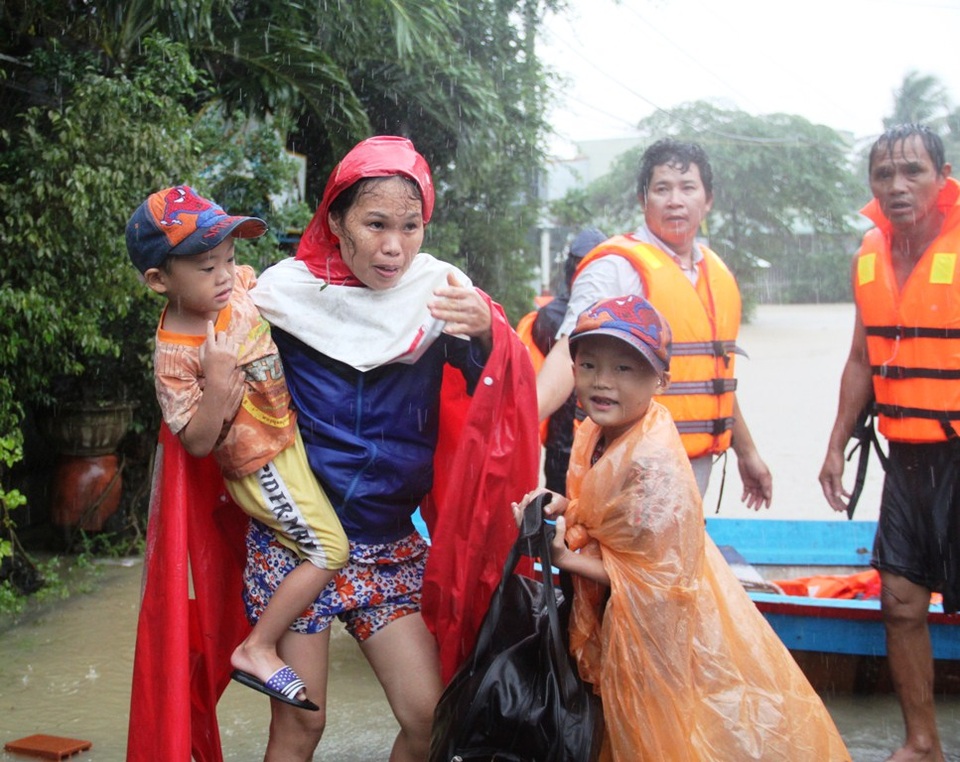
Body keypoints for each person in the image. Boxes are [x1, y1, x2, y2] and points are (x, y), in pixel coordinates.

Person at [244, 135, 539, 761]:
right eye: (375, 223)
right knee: (302, 726)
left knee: (432, 719)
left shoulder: (439, 294)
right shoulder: (283, 294)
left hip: (387, 544)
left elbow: (498, 389)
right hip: (301, 543)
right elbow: (210, 348)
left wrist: (492, 332)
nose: (394, 246)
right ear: (335, 221)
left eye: (411, 226)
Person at [515, 294, 850, 761]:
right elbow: (613, 521)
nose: (602, 382)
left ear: (661, 380)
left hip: (657, 636)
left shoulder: (653, 464)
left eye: (624, 370)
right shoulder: (596, 431)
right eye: (588, 365)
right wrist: (566, 507)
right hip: (616, 617)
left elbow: (661, 584)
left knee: (658, 736)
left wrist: (566, 558)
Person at [126, 185, 349, 711]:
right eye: (206, 267)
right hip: (258, 466)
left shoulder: (235, 290)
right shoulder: (175, 356)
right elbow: (198, 443)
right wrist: (219, 384)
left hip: (286, 439)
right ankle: (257, 646)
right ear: (159, 280)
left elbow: (274, 283)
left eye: (229, 258)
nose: (225, 274)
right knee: (329, 548)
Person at [819, 123, 958, 762]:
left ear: (942, 176)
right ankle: (923, 743)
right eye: (884, 175)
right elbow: (859, 359)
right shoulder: (868, 253)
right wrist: (834, 446)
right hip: (904, 456)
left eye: (914, 172)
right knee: (899, 602)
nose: (898, 186)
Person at [536, 139, 772, 507]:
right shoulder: (615, 266)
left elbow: (715, 377)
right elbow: (569, 348)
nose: (675, 200)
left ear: (707, 200)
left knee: (673, 559)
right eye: (662, 189)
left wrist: (748, 452)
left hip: (694, 464)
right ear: (643, 200)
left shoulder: (716, 273)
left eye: (688, 188)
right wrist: (520, 420)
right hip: (626, 463)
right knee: (619, 561)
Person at [516, 226, 607, 492]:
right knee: (563, 513)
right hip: (564, 437)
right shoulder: (548, 318)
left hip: (586, 434)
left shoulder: (546, 317)